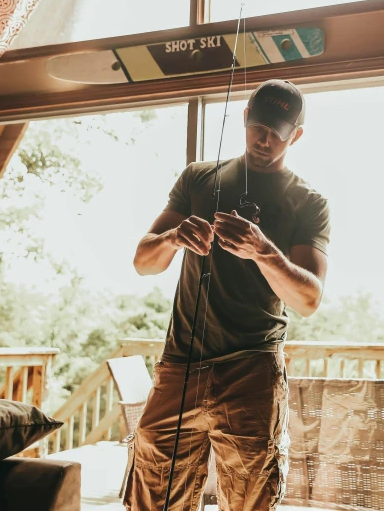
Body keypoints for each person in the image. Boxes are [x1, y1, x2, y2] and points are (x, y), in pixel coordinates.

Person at [123, 80, 330, 511]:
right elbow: (144, 261)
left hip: (251, 368)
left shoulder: (308, 201)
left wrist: (263, 251)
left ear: (297, 135)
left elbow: (309, 300)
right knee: (152, 497)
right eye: (259, 126)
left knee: (251, 499)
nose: (264, 138)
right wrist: (175, 236)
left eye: (277, 131)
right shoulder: (198, 177)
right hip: (180, 364)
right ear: (244, 120)